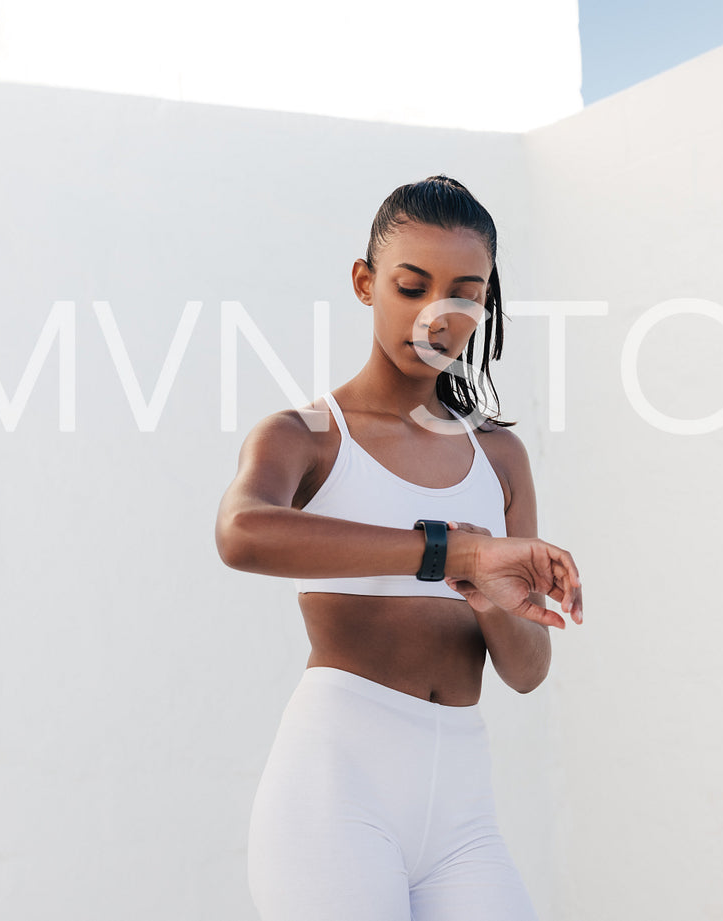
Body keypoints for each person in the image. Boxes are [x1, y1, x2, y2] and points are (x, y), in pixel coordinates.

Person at [214, 174, 583, 920]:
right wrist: (455, 554)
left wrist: (490, 597)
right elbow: (241, 532)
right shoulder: (307, 435)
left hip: (461, 807)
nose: (438, 315)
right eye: (411, 286)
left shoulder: (499, 455)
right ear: (364, 282)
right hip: (335, 789)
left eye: (465, 293)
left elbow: (527, 669)